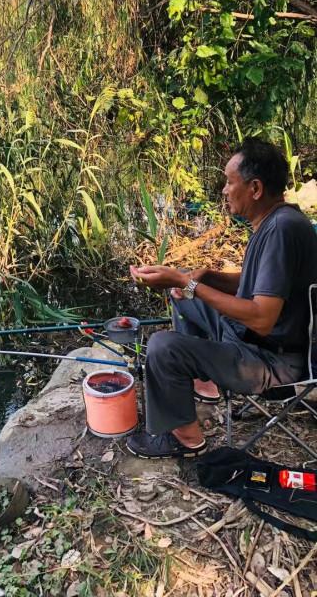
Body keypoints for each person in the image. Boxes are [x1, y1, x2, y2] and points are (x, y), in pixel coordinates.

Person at [126, 137, 317, 459]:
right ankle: (206, 383)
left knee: (162, 346)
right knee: (182, 295)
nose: (225, 191)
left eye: (230, 183)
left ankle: (185, 439)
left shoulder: (282, 230)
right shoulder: (278, 221)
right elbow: (261, 285)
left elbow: (261, 316)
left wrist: (188, 283)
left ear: (255, 188)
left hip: (273, 362)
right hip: (258, 341)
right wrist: (201, 277)